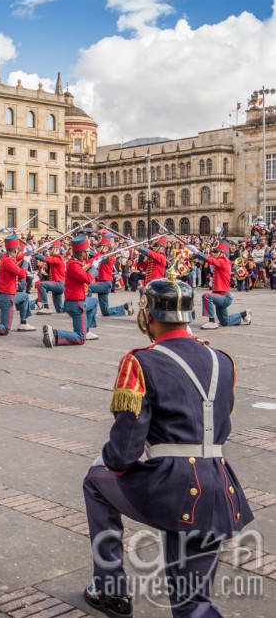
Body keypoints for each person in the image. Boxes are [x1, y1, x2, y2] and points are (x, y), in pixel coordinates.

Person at [82, 277, 253, 618]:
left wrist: (111, 460)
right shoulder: (222, 359)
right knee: (193, 600)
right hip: (218, 485)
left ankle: (110, 587)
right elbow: (224, 426)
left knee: (96, 482)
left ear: (147, 315)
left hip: (172, 484)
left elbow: (126, 448)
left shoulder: (141, 361)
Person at [42, 234, 98, 347]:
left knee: (94, 302)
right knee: (80, 338)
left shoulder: (75, 262)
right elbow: (88, 279)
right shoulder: (74, 265)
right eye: (86, 250)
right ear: (81, 253)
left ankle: (86, 329)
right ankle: (54, 333)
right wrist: (94, 269)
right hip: (76, 304)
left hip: (78, 301)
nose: (88, 252)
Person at [188, 240, 251, 329]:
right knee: (225, 322)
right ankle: (243, 315)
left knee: (206, 296)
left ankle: (212, 321)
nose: (213, 253)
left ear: (222, 253)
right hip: (219, 296)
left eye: (216, 251)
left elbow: (210, 260)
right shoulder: (222, 260)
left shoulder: (224, 260)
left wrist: (197, 252)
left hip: (224, 296)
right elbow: (210, 259)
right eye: (213, 251)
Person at [87, 236, 134, 317]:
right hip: (103, 283)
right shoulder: (103, 255)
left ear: (105, 248)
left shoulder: (109, 256)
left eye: (99, 246)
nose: (97, 248)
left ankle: (88, 309)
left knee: (88, 287)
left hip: (106, 283)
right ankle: (125, 307)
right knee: (106, 312)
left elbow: (95, 259)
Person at [31, 240, 66, 314]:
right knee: (60, 310)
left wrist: (37, 254)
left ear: (56, 250)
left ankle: (45, 306)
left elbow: (46, 259)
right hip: (57, 284)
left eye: (50, 250)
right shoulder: (55, 258)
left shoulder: (59, 258)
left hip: (59, 284)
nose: (49, 251)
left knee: (41, 284)